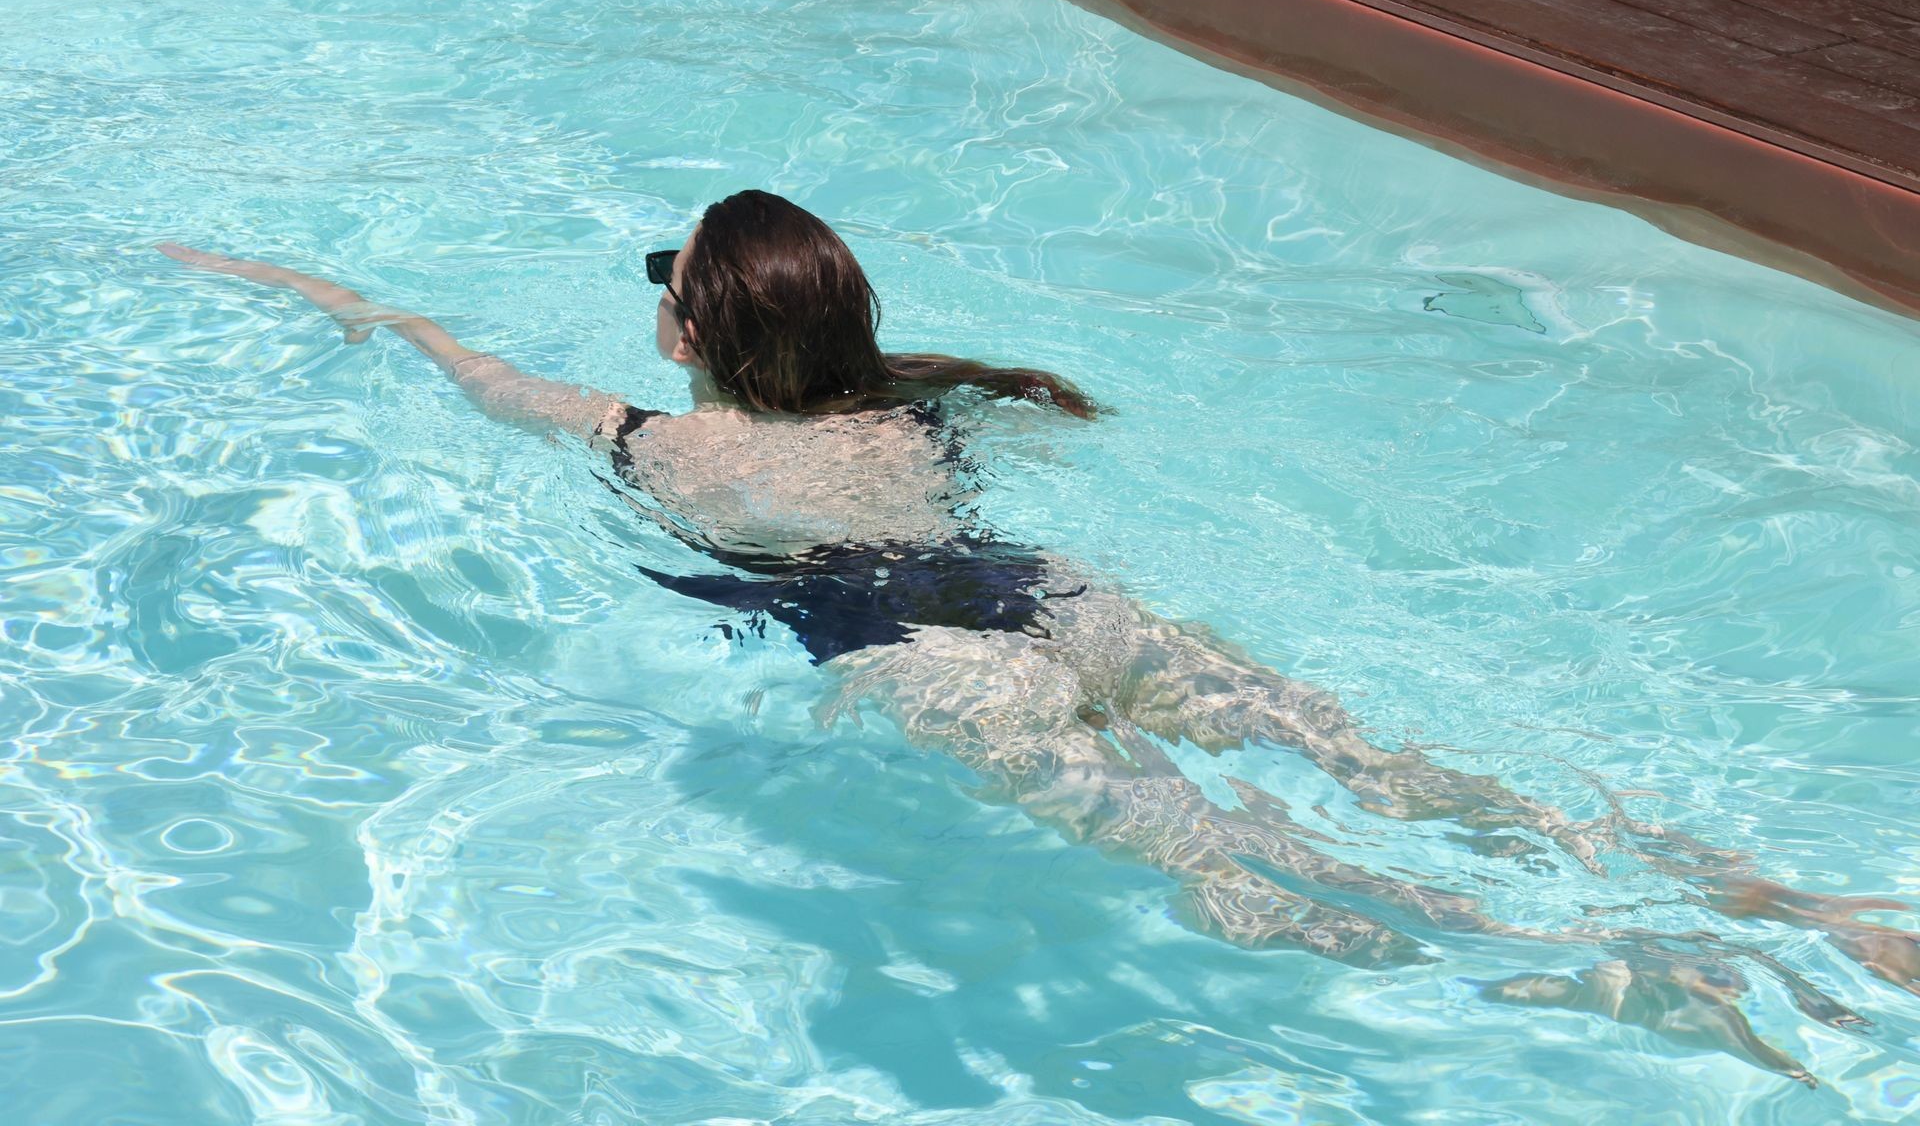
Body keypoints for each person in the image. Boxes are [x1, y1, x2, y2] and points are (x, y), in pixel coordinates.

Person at [156, 189, 1916, 1081]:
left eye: (662, 278)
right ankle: (1801, 914)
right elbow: (1046, 407)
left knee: (1245, 869)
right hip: (1047, 593)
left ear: (693, 333)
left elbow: (447, 355)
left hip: (921, 660)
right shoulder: (911, 400)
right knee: (1387, 763)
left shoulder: (648, 443)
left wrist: (309, 289)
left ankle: (1653, 990)